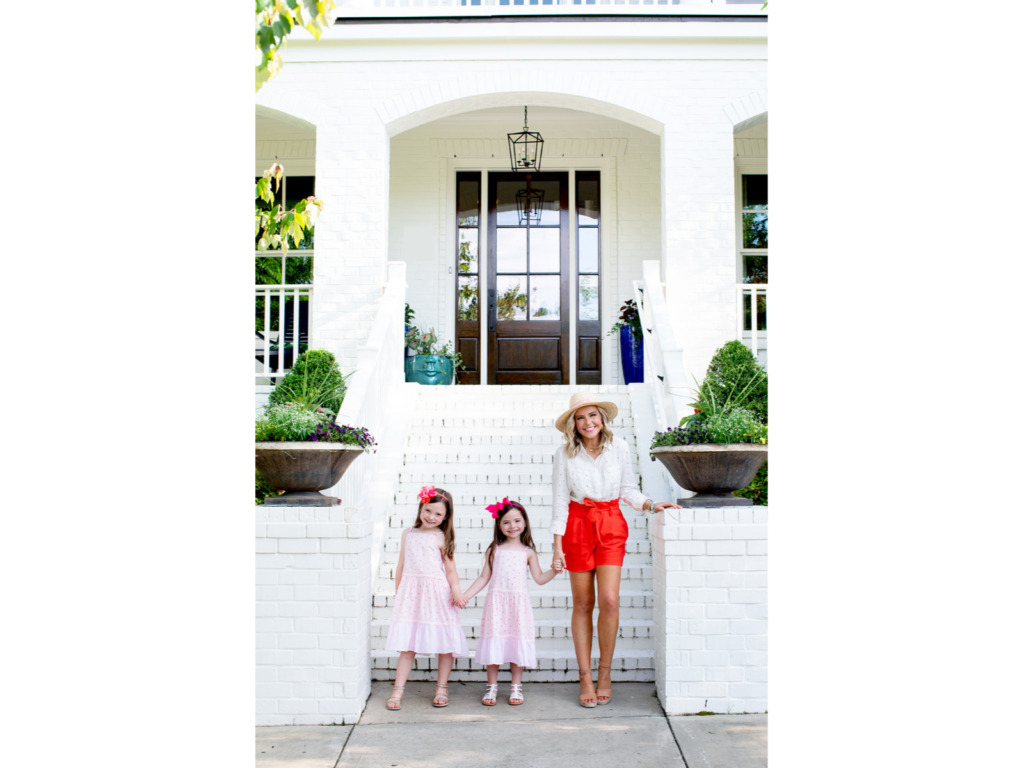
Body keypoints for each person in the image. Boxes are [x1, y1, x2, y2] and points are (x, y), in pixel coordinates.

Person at [551, 392, 682, 708]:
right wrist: (557, 548)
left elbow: (627, 490)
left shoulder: (619, 448)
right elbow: (559, 502)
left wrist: (650, 504)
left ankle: (605, 673)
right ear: (574, 423)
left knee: (609, 599)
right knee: (583, 603)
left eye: (592, 415)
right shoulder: (564, 454)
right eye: (580, 417)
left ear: (602, 418)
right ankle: (585, 676)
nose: (588, 422)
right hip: (577, 526)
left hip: (610, 523)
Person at [458, 498, 558, 706]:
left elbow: (539, 578)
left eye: (517, 521)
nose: (512, 526)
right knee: (495, 642)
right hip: (497, 604)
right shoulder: (494, 550)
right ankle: (492, 687)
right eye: (506, 522)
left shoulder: (528, 552)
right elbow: (484, 577)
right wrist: (466, 595)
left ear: (525, 523)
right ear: (498, 525)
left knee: (516, 642)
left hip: (518, 605)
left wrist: (555, 571)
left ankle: (516, 686)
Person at [383, 485, 468, 710]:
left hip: (437, 593)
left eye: (438, 514)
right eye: (428, 511)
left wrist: (456, 590)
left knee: (445, 642)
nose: (432, 517)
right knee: (407, 645)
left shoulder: (442, 537)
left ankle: (441, 688)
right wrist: (399, 591)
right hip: (411, 594)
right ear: (421, 507)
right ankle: (397, 691)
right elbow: (401, 565)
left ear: (446, 516)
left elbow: (450, 570)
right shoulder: (408, 533)